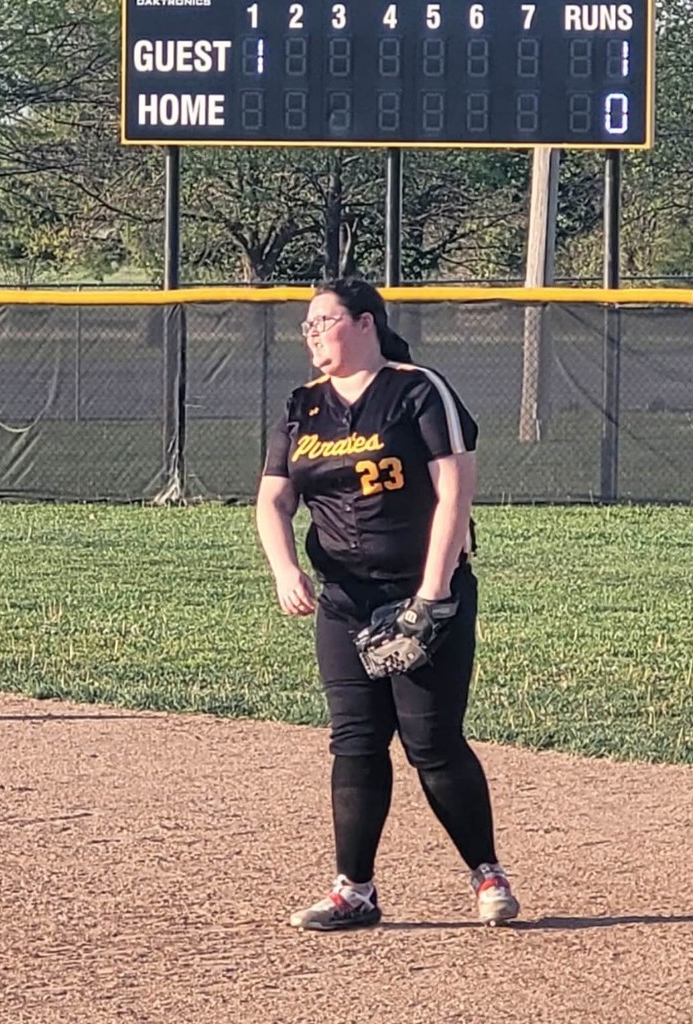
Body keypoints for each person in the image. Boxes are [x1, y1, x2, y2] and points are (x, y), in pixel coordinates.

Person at [254, 277, 519, 931]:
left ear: (366, 323)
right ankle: (356, 890)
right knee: (356, 741)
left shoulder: (417, 390)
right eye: (307, 326)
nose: (313, 333)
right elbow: (274, 499)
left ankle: (487, 874)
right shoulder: (304, 406)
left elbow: (455, 488)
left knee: (431, 741)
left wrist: (433, 593)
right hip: (343, 600)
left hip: (421, 592)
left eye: (326, 320)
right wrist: (285, 566)